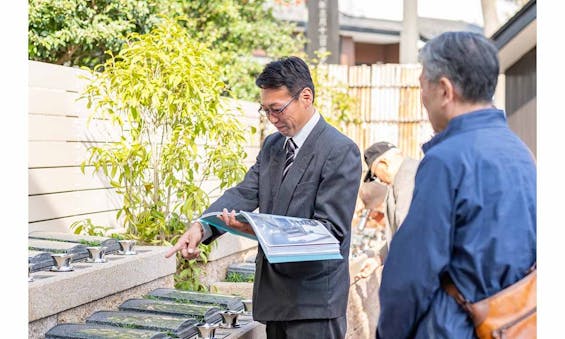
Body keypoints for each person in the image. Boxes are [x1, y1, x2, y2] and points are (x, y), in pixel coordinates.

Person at [165, 56, 362, 339]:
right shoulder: (273, 145)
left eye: (277, 109)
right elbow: (245, 192)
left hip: (314, 305)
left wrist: (259, 230)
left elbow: (330, 233)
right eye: (265, 110)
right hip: (274, 300)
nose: (271, 119)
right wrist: (202, 225)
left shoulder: (340, 150)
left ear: (306, 97)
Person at [376, 31, 536, 338]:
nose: (422, 98)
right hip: (516, 323)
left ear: (445, 90)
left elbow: (410, 276)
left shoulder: (447, 160)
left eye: (423, 86)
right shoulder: (521, 152)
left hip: (454, 327)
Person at [364, 142, 419, 236]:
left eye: (375, 175)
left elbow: (408, 232)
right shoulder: (415, 170)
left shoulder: (406, 180)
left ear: (384, 163)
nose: (379, 181)